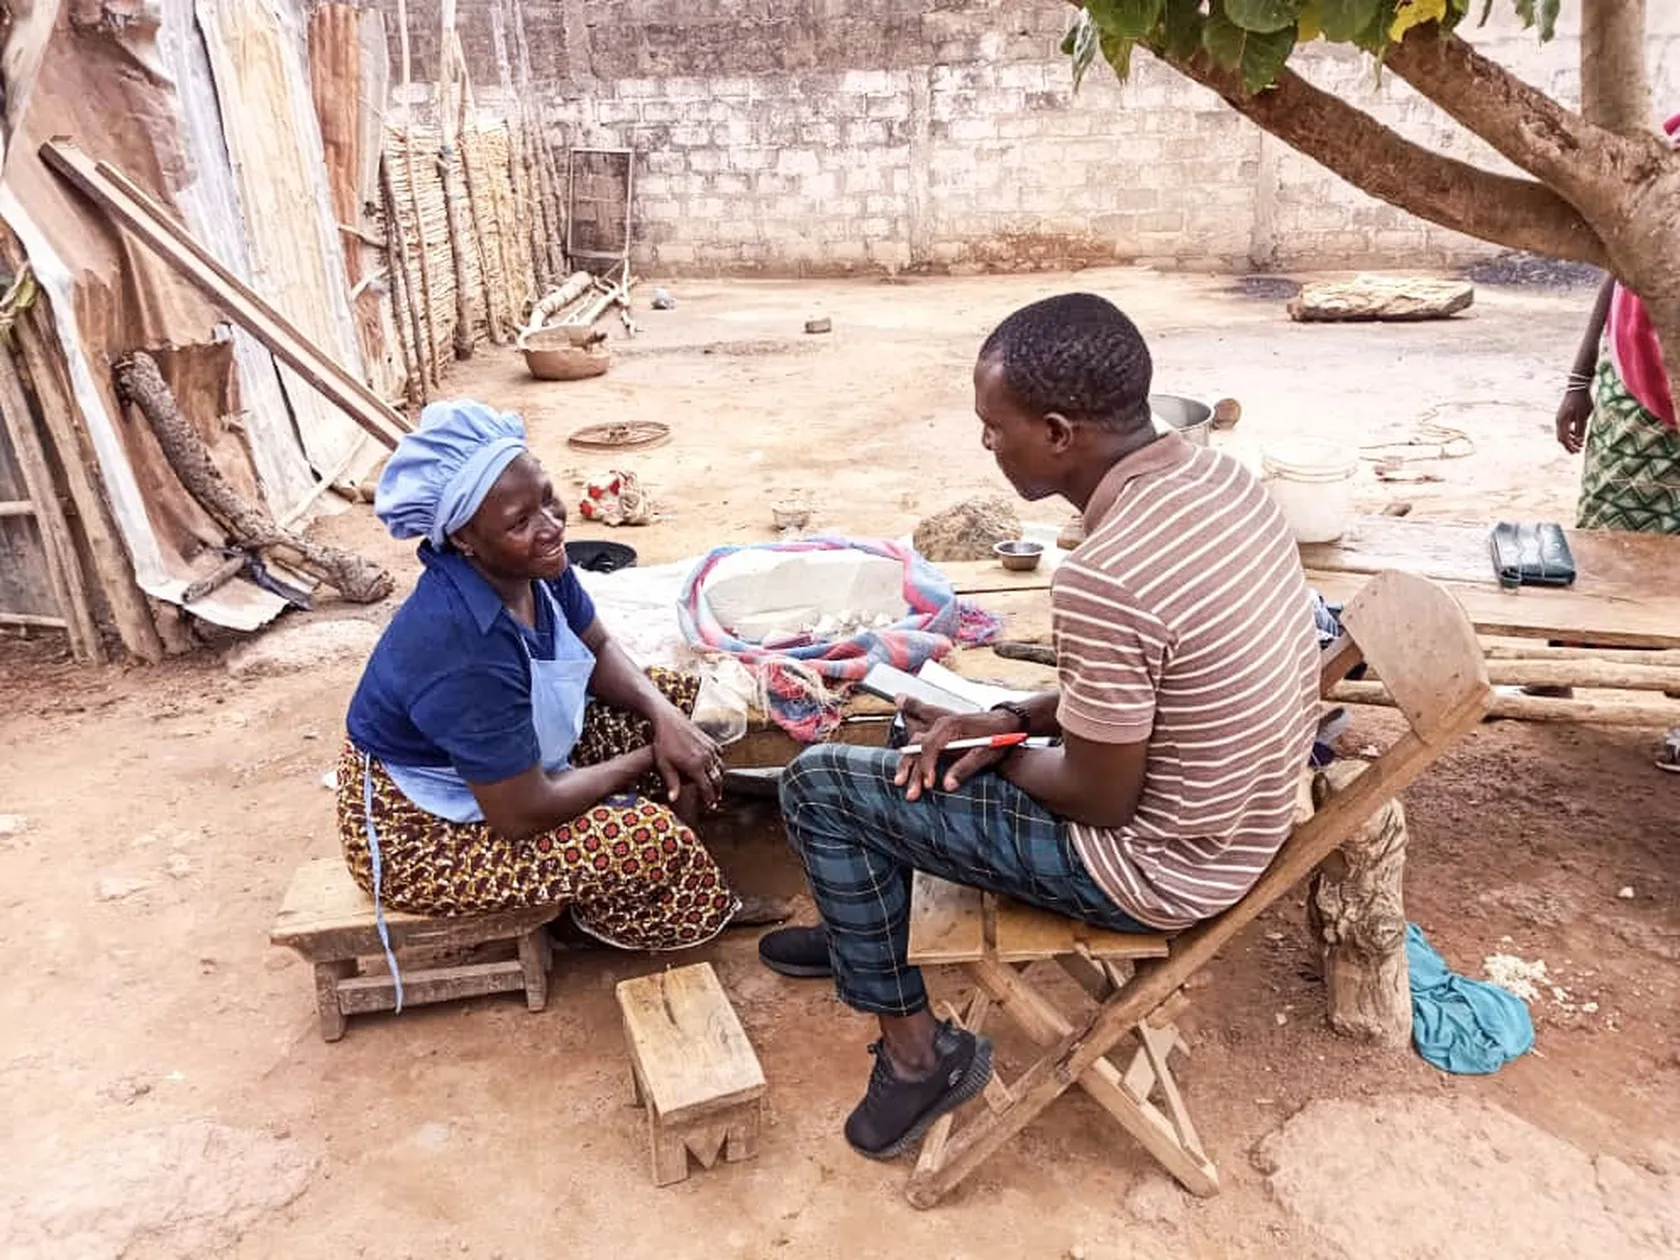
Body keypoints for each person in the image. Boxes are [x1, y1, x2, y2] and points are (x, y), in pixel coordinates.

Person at [757, 293, 1321, 1159]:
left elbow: (1097, 796)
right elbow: (1151, 676)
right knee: (924, 733)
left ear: (1058, 434)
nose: (987, 444)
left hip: (1156, 866)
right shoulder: (1220, 483)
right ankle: (855, 930)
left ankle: (918, 1061)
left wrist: (1000, 745)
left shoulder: (1107, 574)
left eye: (995, 427)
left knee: (821, 786)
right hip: (1238, 823)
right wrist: (1009, 714)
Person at [339, 400, 769, 950]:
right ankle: (600, 918)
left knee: (681, 702)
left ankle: (657, 866)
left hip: (504, 773)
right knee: (643, 836)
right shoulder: (460, 643)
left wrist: (665, 720)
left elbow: (596, 645)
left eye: (546, 498)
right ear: (466, 541)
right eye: (519, 522)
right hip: (424, 831)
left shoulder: (537, 566)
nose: (550, 526)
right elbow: (522, 813)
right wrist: (647, 756)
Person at [1555, 117, 1680, 536]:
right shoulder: (1666, 155)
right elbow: (1618, 264)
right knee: (1611, 555)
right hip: (1633, 392)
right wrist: (1579, 379)